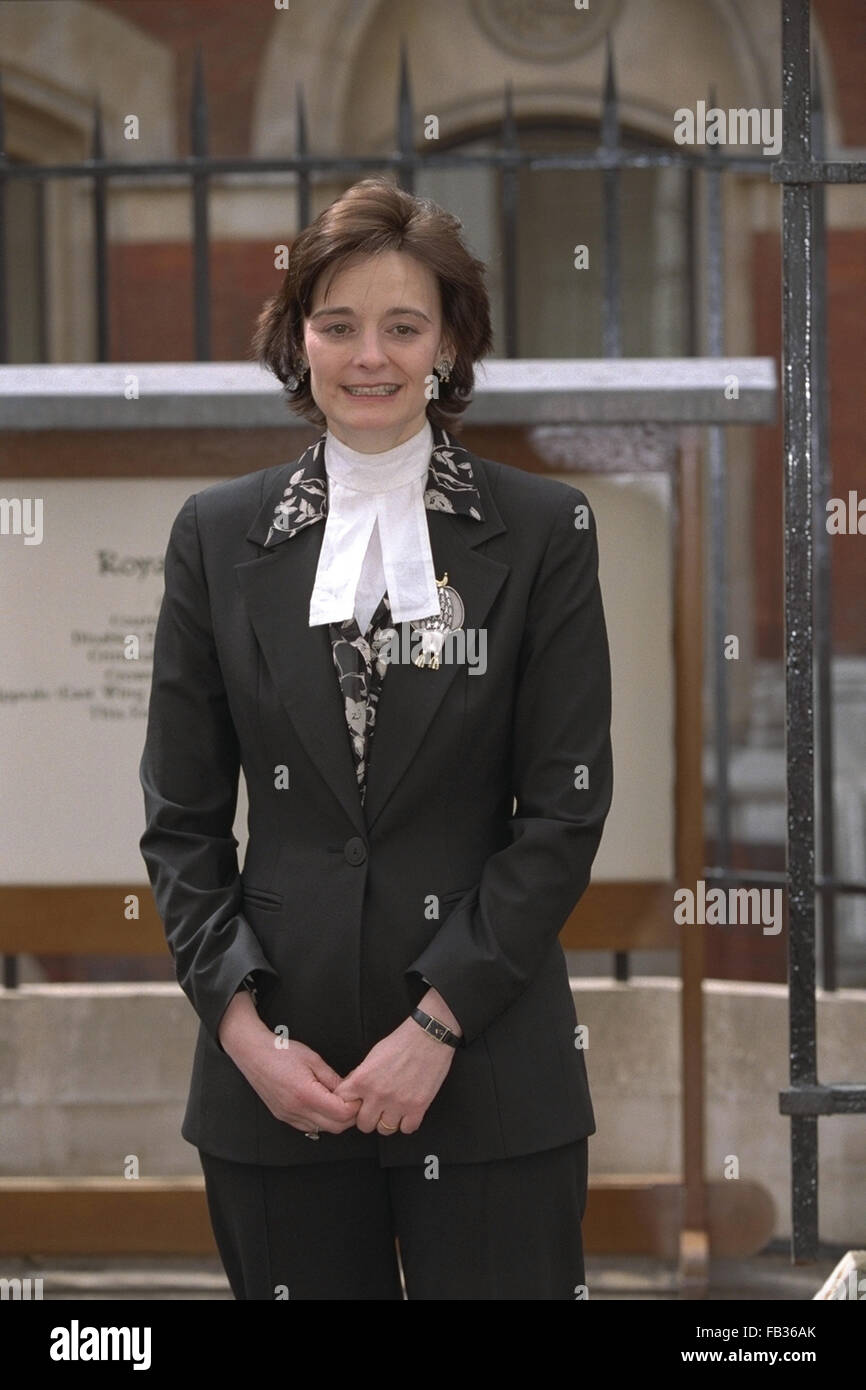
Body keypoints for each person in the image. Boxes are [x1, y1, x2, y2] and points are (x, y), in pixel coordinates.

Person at [139, 175, 613, 1300]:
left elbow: (562, 811)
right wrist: (245, 1032)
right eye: (337, 325)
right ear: (296, 339)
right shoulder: (213, 537)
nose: (369, 357)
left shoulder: (544, 531)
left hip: (491, 1066)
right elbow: (181, 823)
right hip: (277, 1077)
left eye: (403, 326)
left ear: (448, 344)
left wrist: (435, 1026)